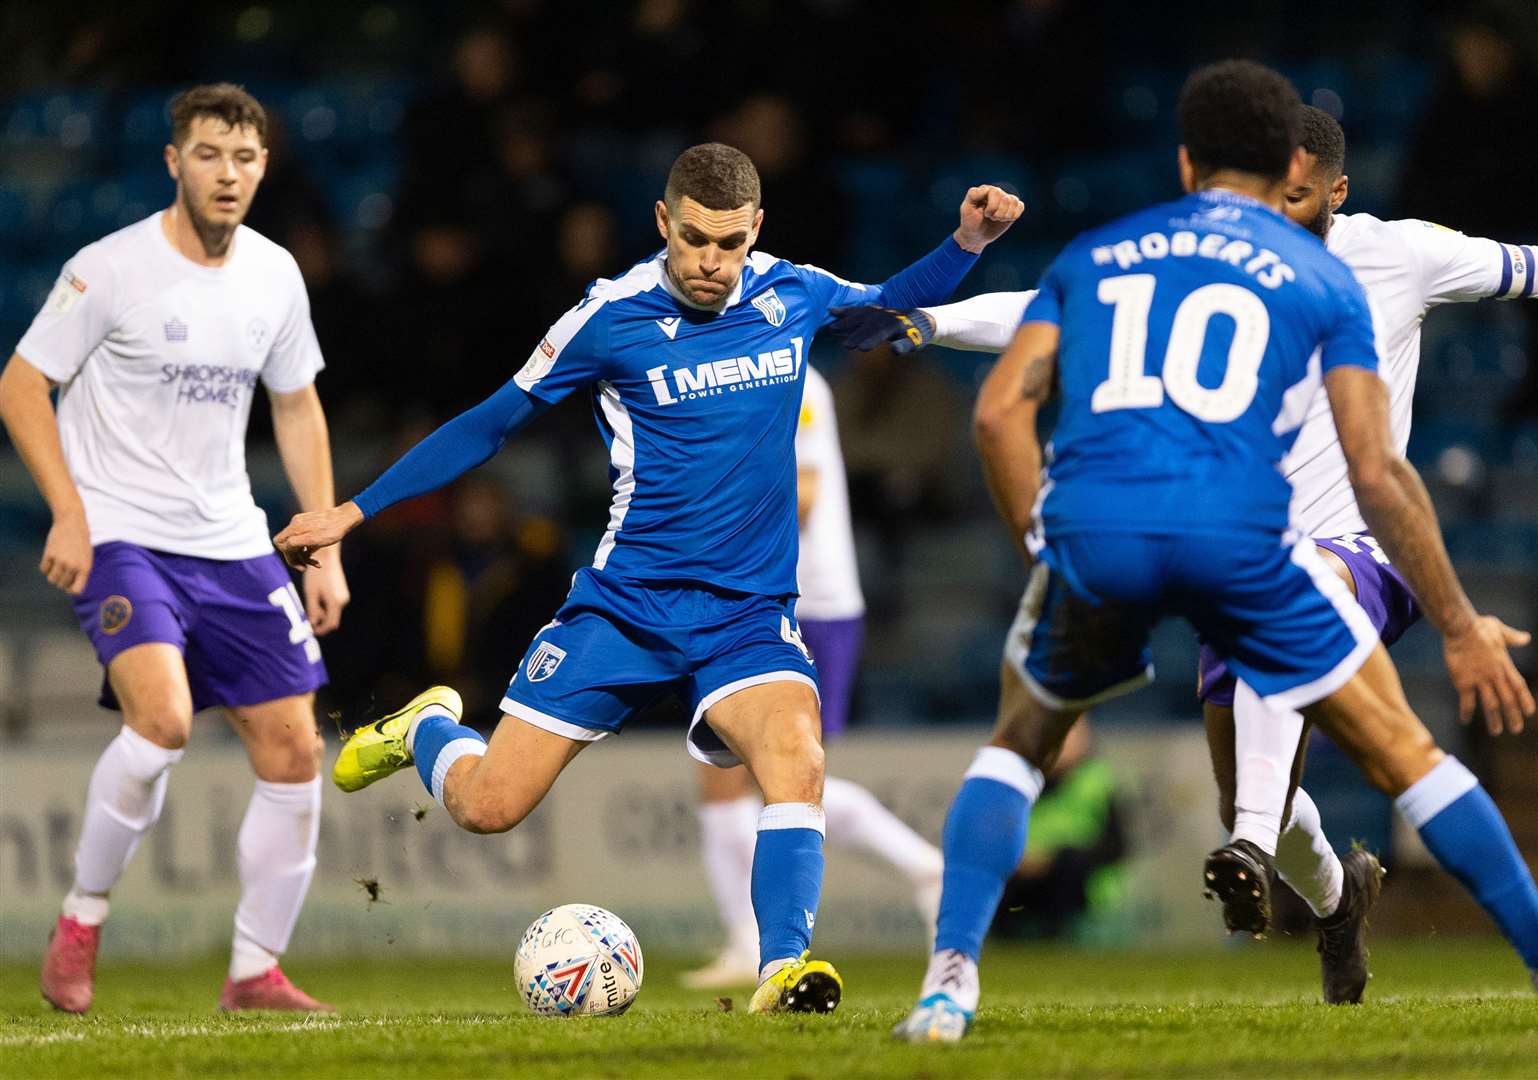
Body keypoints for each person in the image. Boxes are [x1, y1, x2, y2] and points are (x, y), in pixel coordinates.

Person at [874, 58, 1538, 1043]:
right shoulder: (1311, 278)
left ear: (1186, 163)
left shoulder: (1127, 253)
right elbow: (1382, 465)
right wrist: (1459, 622)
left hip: (1212, 538)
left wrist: (1039, 545)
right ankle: (1391, 915)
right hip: (1248, 539)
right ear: (1274, 172)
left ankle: (968, 979)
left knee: (1021, 745)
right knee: (1368, 755)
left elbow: (1004, 398)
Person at [271, 142, 1023, 1015]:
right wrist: (353, 511)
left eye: (731, 243)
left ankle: (782, 968)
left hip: (746, 615)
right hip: (625, 611)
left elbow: (890, 309)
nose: (713, 263)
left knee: (797, 758)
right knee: (486, 807)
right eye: (696, 239)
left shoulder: (791, 291)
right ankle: (429, 729)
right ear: (664, 221)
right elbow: (488, 423)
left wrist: (964, 243)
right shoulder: (609, 317)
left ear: (756, 231)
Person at [0, 84, 346, 1013]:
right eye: (206, 155)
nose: (225, 174)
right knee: (161, 722)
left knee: (291, 752)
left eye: (242, 158)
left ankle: (254, 970)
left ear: (263, 166)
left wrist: (324, 543)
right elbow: (22, 386)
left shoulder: (275, 274)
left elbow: (297, 403)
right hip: (121, 535)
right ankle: (81, 920)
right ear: (173, 162)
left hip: (230, 541)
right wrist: (68, 513)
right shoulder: (108, 269)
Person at [683, 365, 944, 989]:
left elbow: (803, 492)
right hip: (756, 601)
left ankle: (925, 871)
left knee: (774, 776)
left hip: (809, 601)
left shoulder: (795, 377)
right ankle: (752, 941)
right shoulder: (719, 371)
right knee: (735, 781)